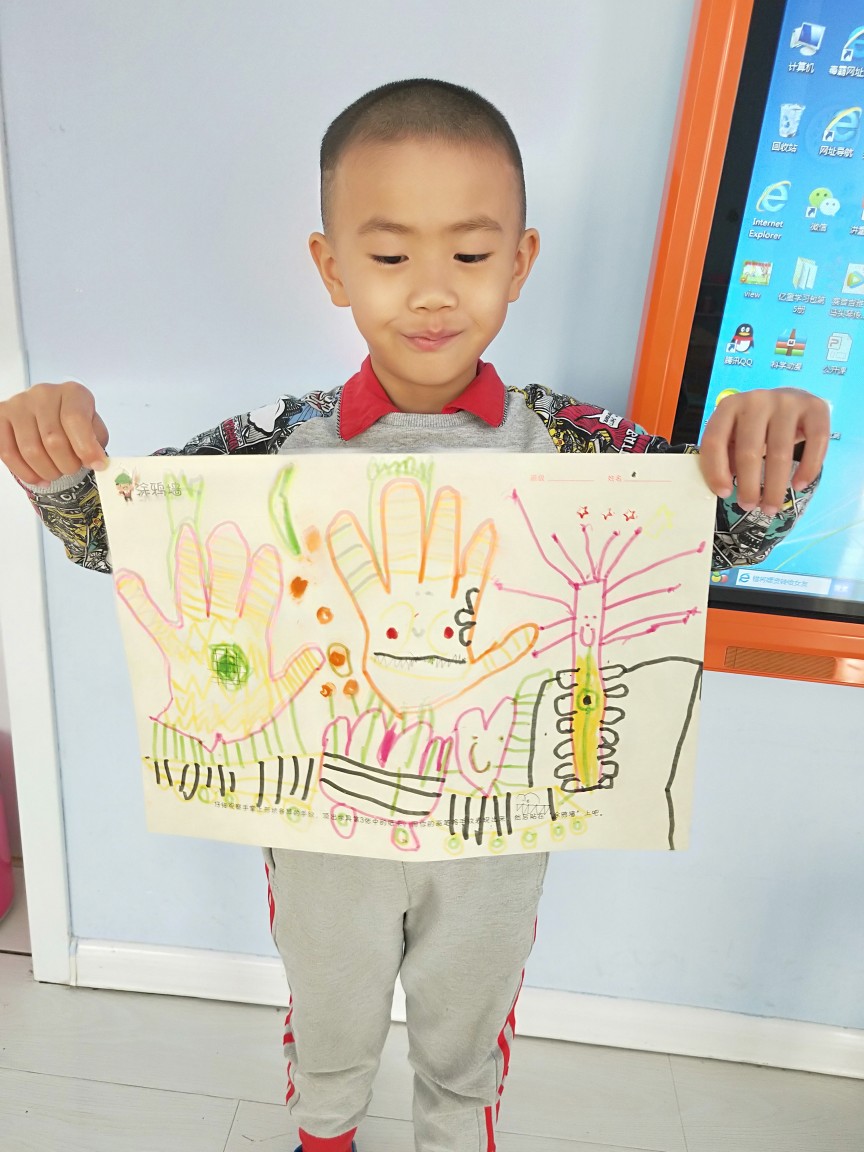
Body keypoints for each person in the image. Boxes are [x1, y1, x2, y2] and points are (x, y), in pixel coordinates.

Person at [0, 79, 829, 1152]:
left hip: (496, 840)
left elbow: (721, 542)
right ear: (331, 266)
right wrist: (57, 461)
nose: (432, 290)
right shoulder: (271, 444)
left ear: (521, 261)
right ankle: (325, 1136)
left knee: (465, 1031)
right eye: (390, 255)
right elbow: (117, 541)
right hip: (319, 832)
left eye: (471, 253)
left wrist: (770, 459)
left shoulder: (577, 445)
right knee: (330, 1015)